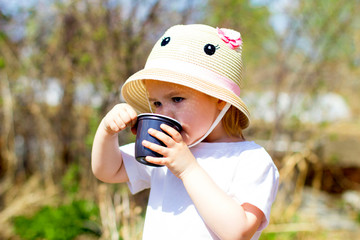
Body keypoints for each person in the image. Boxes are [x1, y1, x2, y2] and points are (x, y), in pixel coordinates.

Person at [92, 24, 279, 240]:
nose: (165, 112)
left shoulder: (250, 159)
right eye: (157, 103)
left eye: (177, 99)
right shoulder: (165, 147)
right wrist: (107, 131)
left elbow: (238, 231)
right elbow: (107, 170)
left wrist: (187, 169)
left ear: (219, 98)